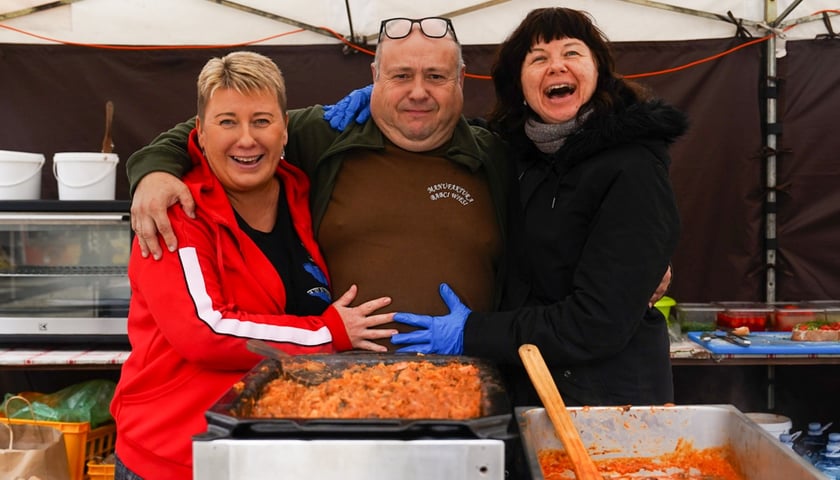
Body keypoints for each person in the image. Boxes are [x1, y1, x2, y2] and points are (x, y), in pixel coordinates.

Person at [124, 18, 515, 350]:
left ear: (460, 79)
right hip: (338, 385)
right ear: (375, 77)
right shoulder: (327, 133)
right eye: (400, 76)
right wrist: (155, 171)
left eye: (435, 76)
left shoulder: (495, 156)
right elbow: (226, 128)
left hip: (470, 380)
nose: (417, 91)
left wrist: (484, 336)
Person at [110, 51, 397, 480]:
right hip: (180, 456)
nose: (246, 139)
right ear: (200, 132)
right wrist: (329, 332)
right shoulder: (176, 215)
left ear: (285, 130)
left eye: (261, 121)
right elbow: (204, 330)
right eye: (227, 122)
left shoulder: (302, 195)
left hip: (270, 451)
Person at [388, 7, 686, 407]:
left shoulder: (632, 167)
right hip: (527, 389)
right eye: (538, 58)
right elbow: (446, 130)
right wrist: (376, 105)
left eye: (572, 53)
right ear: (520, 83)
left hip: (609, 403)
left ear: (598, 70)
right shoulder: (517, 155)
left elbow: (596, 323)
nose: (556, 66)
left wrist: (472, 332)